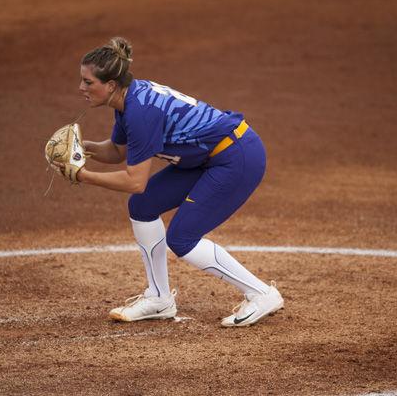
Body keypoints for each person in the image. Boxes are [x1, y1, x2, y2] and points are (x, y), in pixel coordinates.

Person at [72, 37, 283, 327]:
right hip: (205, 158)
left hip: (236, 156)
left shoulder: (140, 112)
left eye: (88, 82)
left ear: (110, 85)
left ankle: (261, 293)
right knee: (143, 206)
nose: (81, 88)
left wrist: (82, 176)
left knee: (181, 238)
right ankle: (159, 299)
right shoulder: (127, 101)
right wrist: (82, 147)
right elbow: (117, 151)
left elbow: (135, 181)